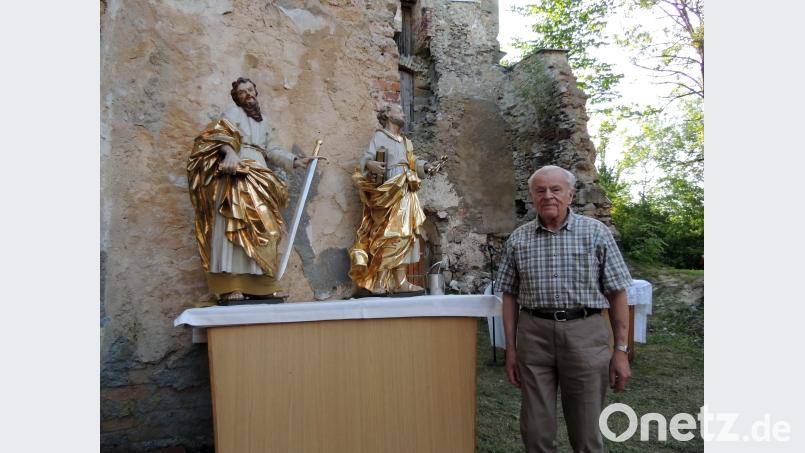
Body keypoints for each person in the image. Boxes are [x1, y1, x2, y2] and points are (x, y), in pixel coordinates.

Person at [497, 165, 633, 452]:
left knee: (586, 433)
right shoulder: (518, 239)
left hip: (585, 334)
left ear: (570, 195)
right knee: (535, 431)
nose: (548, 196)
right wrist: (511, 348)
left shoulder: (596, 233)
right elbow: (508, 295)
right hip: (534, 335)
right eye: (540, 190)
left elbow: (618, 292)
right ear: (532, 196)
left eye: (556, 189)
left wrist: (621, 350)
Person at [187, 77, 314, 302]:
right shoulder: (232, 114)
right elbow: (221, 136)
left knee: (266, 227)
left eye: (251, 90)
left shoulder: (263, 122)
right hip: (237, 170)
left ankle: (262, 285)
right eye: (243, 91)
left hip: (260, 172)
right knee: (235, 223)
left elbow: (271, 149)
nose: (249, 94)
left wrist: (295, 160)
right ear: (236, 97)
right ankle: (231, 285)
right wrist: (230, 153)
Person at [348, 104, 434, 295]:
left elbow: (412, 162)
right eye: (399, 110)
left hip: (405, 189)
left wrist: (426, 166)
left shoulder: (405, 142)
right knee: (385, 235)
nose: (403, 113)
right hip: (387, 191)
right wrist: (370, 164)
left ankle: (401, 281)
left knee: (404, 235)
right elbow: (365, 160)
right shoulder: (379, 137)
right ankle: (378, 280)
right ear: (387, 115)